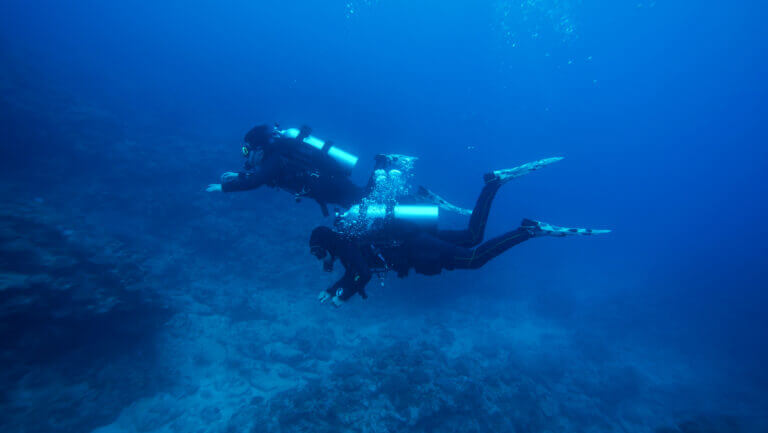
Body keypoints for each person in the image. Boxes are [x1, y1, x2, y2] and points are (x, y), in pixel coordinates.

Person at [308, 158, 610, 307]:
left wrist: (342, 296)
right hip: (416, 240)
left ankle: (527, 230)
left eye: (319, 252)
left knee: (474, 258)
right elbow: (354, 271)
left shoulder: (345, 244)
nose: (322, 258)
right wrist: (333, 290)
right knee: (471, 237)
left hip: (418, 248)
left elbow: (362, 273)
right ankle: (493, 184)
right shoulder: (347, 241)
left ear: (326, 243)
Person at [207, 124, 365, 216]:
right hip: (332, 189)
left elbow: (256, 181)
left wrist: (224, 187)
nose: (246, 156)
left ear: (259, 148)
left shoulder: (275, 157)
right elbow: (264, 176)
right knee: (362, 205)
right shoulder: (276, 157)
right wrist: (239, 175)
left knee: (365, 204)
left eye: (246, 151)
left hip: (335, 188)